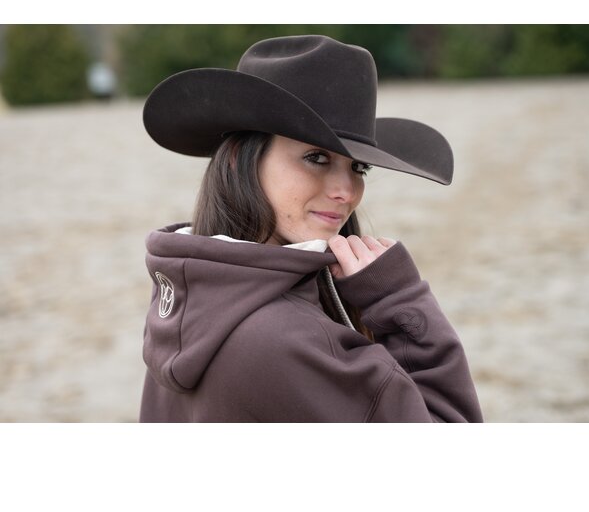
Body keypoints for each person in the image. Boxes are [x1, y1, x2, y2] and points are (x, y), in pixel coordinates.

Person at [139, 34, 483, 423]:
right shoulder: (288, 339)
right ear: (238, 157)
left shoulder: (186, 297)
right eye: (316, 158)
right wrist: (402, 303)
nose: (346, 192)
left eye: (358, 167)